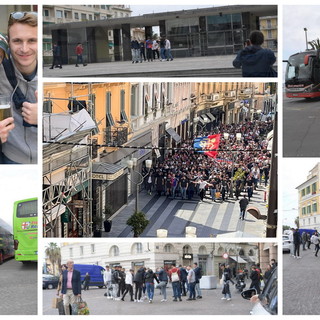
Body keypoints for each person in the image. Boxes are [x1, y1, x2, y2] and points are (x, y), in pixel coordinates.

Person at [0, 11, 38, 164]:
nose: (24, 48)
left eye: (31, 40)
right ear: (9, 41)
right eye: (17, 41)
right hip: (9, 159)